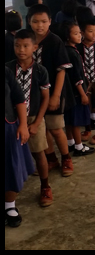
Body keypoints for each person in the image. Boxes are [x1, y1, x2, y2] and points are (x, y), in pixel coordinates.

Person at [6, 29, 53, 207]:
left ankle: (45, 186)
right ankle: (11, 194)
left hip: (33, 118)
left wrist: (37, 122)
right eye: (17, 46)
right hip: (12, 119)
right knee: (11, 156)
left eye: (26, 46)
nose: (21, 50)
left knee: (39, 152)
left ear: (35, 47)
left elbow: (45, 98)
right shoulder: (8, 68)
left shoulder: (41, 71)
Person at [27, 4, 74, 177]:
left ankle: (66, 158)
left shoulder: (55, 41)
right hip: (34, 95)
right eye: (35, 21)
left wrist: (55, 96)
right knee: (42, 128)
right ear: (29, 21)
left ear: (50, 22)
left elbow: (61, 70)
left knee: (55, 128)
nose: (40, 25)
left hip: (54, 91)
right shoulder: (28, 41)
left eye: (44, 21)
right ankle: (51, 158)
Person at [57, 21, 95, 158]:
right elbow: (76, 77)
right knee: (76, 122)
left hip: (69, 94)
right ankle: (79, 146)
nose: (80, 36)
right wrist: (83, 94)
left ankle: (71, 142)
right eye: (76, 33)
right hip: (76, 94)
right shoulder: (72, 53)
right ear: (67, 36)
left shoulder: (67, 50)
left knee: (69, 120)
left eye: (80, 33)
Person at [5, 65, 35, 228]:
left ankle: (9, 206)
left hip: (8, 129)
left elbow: (19, 99)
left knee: (10, 168)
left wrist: (23, 124)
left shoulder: (6, 72)